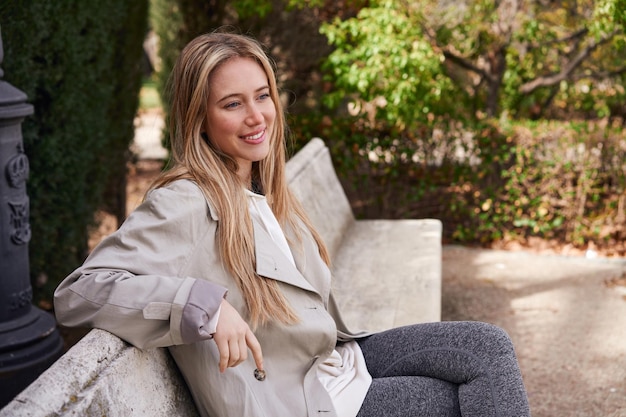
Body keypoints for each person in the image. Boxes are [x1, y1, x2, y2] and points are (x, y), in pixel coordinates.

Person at [54, 30, 531, 417]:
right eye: (232, 103)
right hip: (299, 397)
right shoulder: (184, 200)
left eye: (262, 96)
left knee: (485, 348)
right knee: (447, 404)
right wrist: (203, 305)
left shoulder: (262, 184)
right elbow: (77, 294)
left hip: (332, 360)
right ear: (199, 118)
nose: (256, 115)